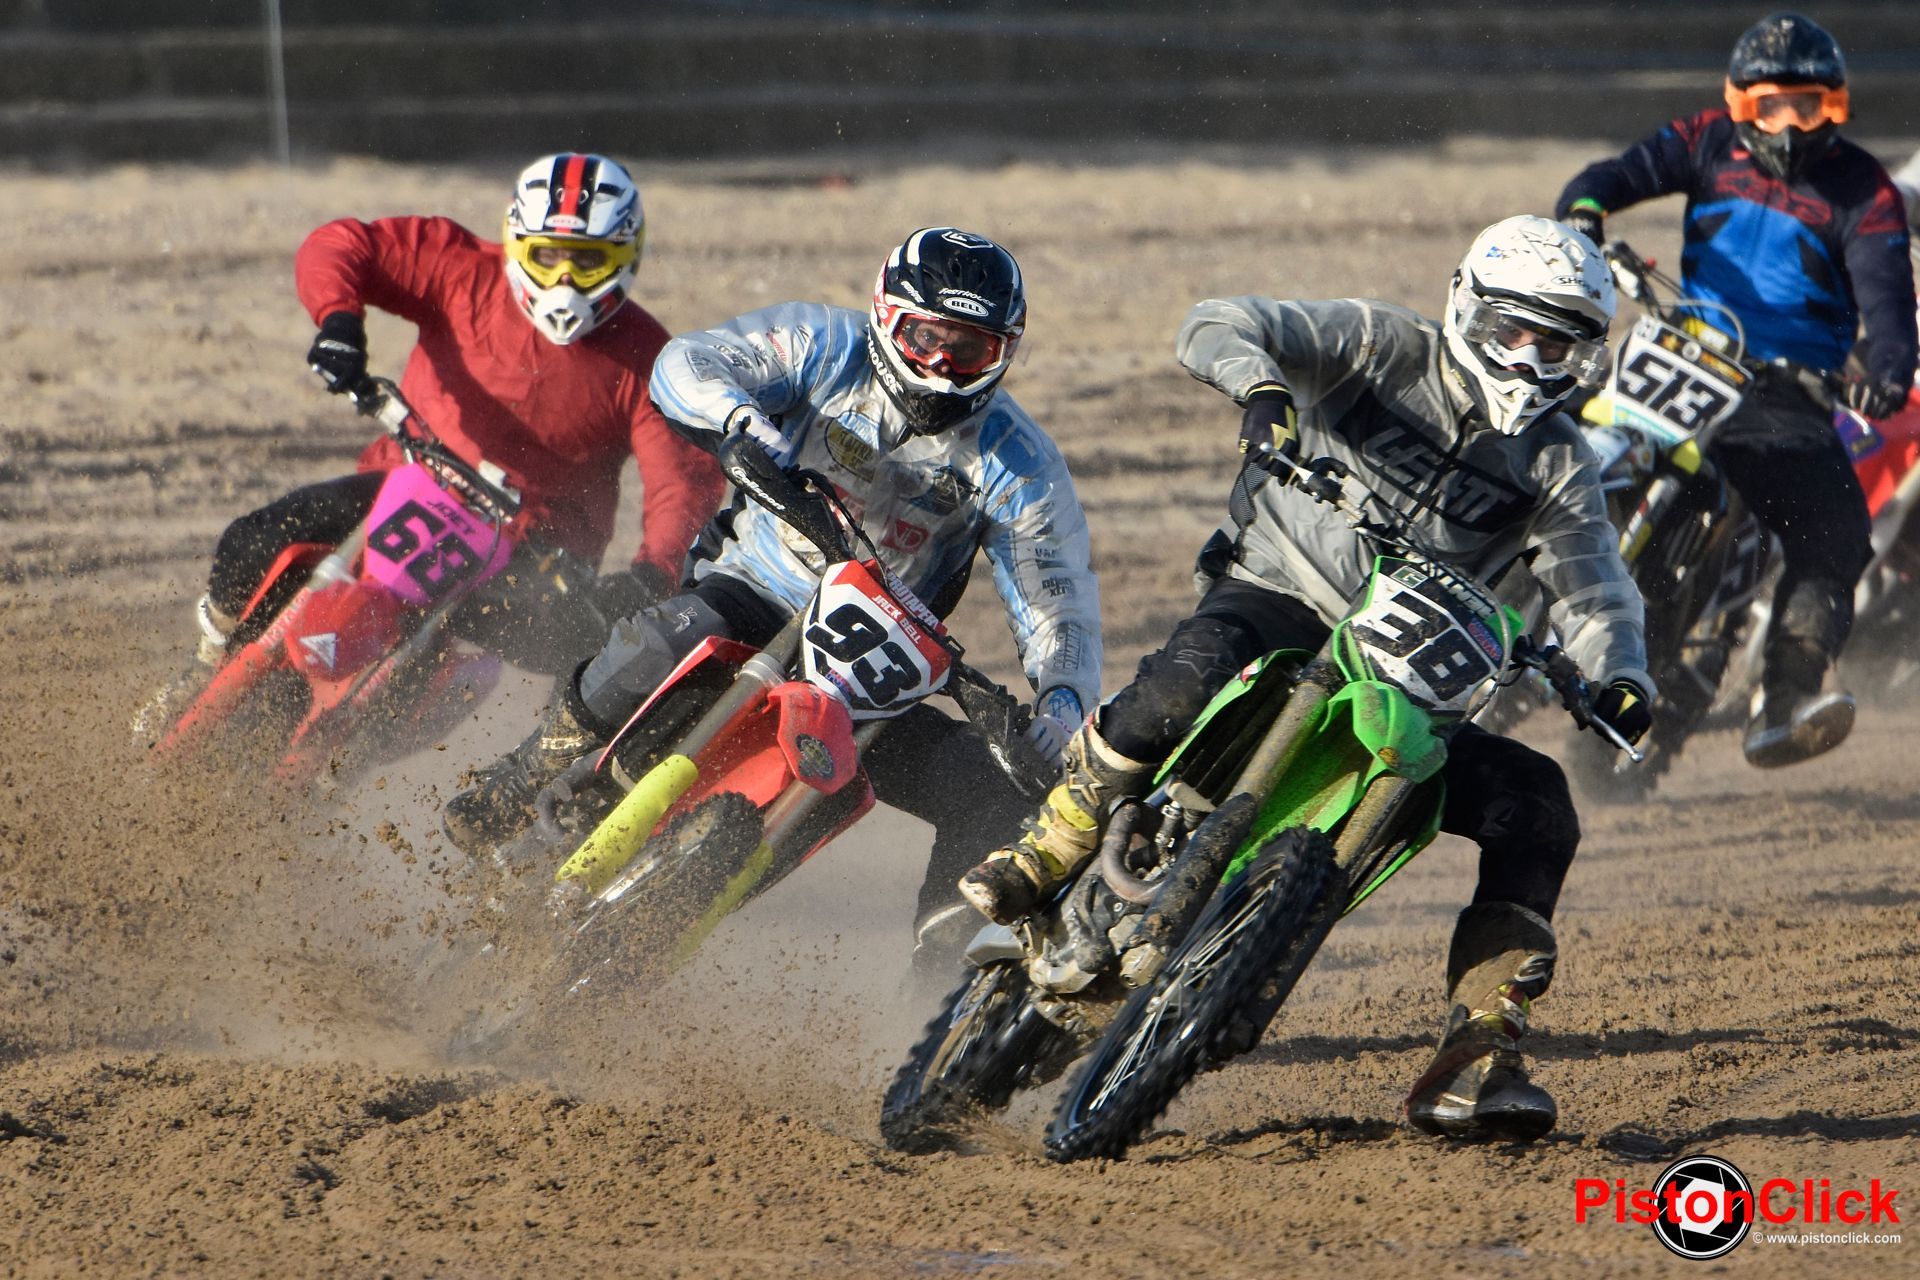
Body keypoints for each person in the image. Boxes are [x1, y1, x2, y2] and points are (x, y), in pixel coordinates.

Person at [962, 216, 1655, 1141]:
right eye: (1512, 330)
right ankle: (1049, 846)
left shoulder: (1560, 459)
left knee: (1538, 802)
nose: (1530, 357)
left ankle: (1479, 1046)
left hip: (1411, 666)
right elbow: (1219, 321)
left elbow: (1594, 579)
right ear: (1466, 308)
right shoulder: (1379, 343)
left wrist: (1620, 676)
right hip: (1283, 588)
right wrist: (1260, 392)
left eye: (1557, 340)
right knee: (1179, 685)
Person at [442, 226, 1103, 966]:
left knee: (993, 793)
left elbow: (1057, 594)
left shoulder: (1022, 462)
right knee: (657, 639)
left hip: (867, 675)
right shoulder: (824, 343)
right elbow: (688, 361)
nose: (943, 369)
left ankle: (942, 978)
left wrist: (1062, 704)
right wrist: (738, 421)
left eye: (970, 351)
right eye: (925, 338)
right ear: (886, 315)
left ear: (1004, 353)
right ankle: (529, 767)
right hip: (752, 588)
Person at [135, 152, 727, 738]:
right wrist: (338, 321)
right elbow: (341, 246)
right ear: (516, 244)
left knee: (579, 659)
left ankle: (527, 794)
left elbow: (684, 477)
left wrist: (655, 571)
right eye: (547, 257)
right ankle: (208, 660)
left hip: (537, 550)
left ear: (626, 258)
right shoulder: (459, 268)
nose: (564, 282)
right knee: (255, 540)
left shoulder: (651, 359)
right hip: (409, 480)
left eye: (587, 261)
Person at [1554, 11, 1916, 768]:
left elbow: (1886, 293)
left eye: (1808, 107)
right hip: (1683, 349)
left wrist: (1888, 372)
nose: (1788, 126)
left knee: (1835, 538)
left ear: (1835, 107)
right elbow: (1613, 176)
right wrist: (1585, 211)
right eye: (1769, 106)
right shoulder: (1703, 139)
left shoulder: (1865, 190)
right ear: (1739, 103)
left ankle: (1780, 702)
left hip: (1789, 394)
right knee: (1554, 433)